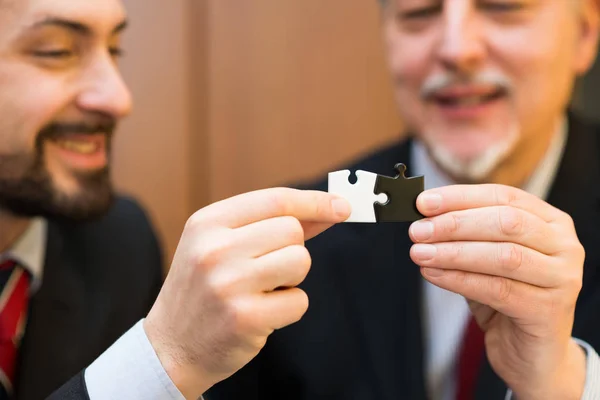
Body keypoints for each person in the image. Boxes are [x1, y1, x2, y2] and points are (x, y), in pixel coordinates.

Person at [205, 0, 600, 399]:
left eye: (502, 6)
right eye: (420, 13)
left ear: (585, 33)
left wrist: (561, 384)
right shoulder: (298, 242)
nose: (457, 49)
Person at [0, 0, 351, 399]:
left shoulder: (119, 243)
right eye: (57, 52)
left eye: (114, 50)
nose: (118, 98)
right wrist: (161, 362)